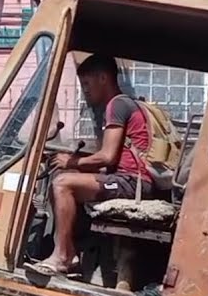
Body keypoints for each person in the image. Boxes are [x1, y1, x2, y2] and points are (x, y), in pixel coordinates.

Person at [27, 54, 153, 277]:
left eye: (87, 83)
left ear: (103, 78)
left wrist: (72, 161)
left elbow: (107, 157)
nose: (84, 90)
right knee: (67, 176)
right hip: (126, 179)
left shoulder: (117, 105)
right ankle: (71, 251)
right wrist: (75, 165)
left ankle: (63, 256)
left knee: (62, 183)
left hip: (132, 183)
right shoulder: (122, 104)